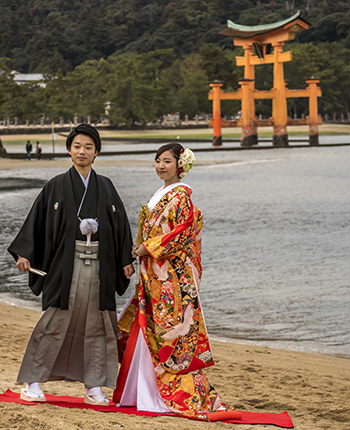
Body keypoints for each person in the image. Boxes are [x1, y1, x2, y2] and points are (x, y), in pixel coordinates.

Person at [8, 123, 135, 406]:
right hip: (65, 265)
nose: (82, 151)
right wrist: (24, 253)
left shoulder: (106, 186)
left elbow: (120, 226)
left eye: (88, 147)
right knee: (55, 320)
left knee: (98, 325)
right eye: (77, 146)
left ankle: (94, 385)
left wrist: (125, 259)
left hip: (101, 264)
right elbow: (37, 223)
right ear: (69, 150)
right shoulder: (56, 185)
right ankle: (32, 383)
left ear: (96, 152)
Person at [113, 143, 241, 421]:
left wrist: (148, 248)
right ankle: (143, 391)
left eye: (167, 161)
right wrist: (138, 250)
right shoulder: (161, 194)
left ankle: (168, 393)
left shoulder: (181, 195)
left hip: (170, 272)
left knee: (168, 328)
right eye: (158, 160)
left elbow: (182, 232)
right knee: (153, 326)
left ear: (180, 165)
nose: (161, 166)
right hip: (155, 269)